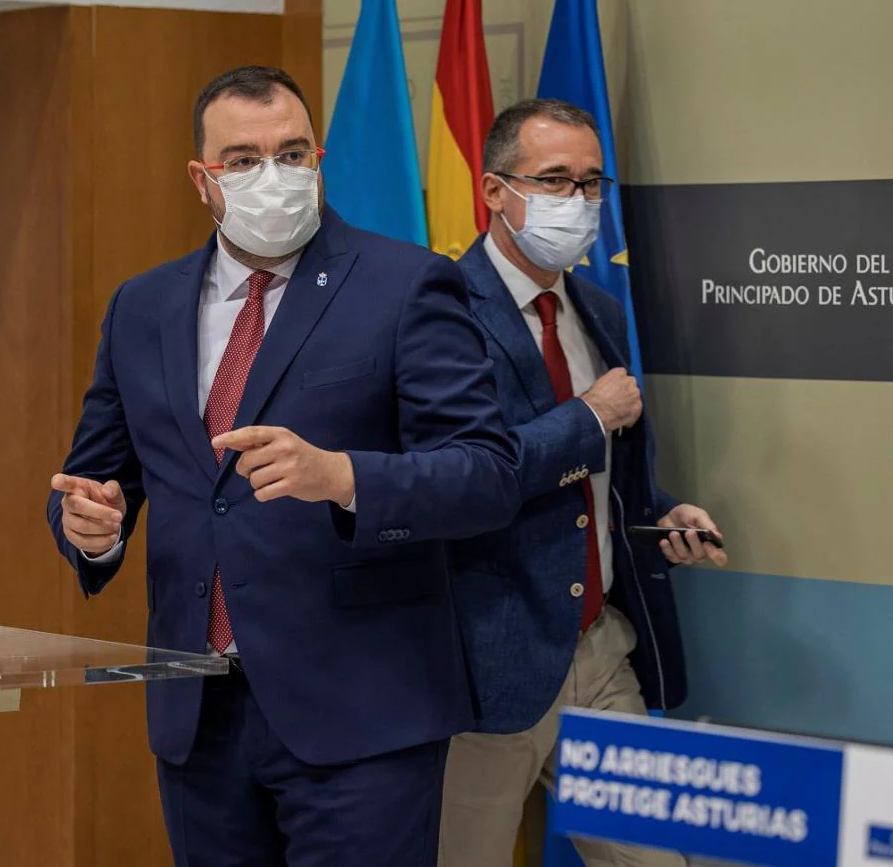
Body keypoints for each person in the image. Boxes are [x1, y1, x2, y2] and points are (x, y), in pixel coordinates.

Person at [46, 65, 520, 867]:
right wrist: (91, 530)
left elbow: (487, 473)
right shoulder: (143, 307)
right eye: (244, 159)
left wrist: (343, 477)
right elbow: (98, 479)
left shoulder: (406, 285)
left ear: (319, 158)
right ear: (203, 179)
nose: (275, 176)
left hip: (362, 718)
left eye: (293, 153)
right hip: (199, 715)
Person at [438, 98, 730, 867]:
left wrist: (660, 515)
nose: (577, 201)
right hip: (486, 663)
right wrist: (590, 417)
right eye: (555, 180)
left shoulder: (596, 307)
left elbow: (602, 477)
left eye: (591, 182)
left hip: (601, 651)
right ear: (495, 191)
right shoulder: (437, 312)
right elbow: (463, 478)